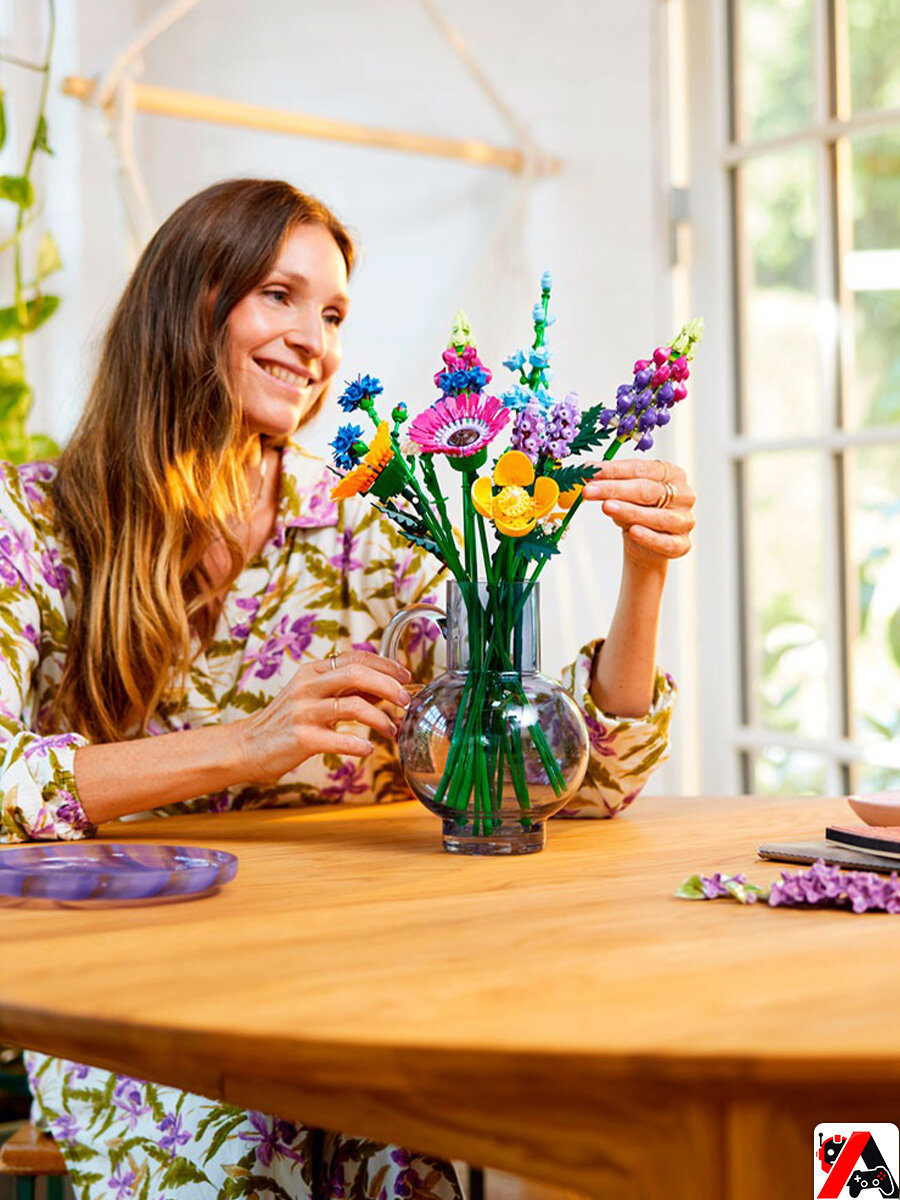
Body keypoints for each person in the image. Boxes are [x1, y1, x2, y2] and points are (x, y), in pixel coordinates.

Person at [0, 178, 695, 1199]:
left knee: (406, 1162)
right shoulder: (36, 523)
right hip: (132, 992)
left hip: (348, 973)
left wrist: (646, 572)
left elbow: (564, 783)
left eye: (331, 314)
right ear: (185, 303)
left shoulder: (369, 524)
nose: (314, 341)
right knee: (229, 1163)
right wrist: (249, 744)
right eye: (279, 296)